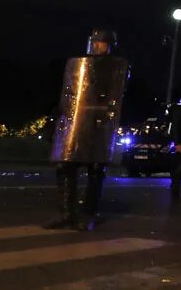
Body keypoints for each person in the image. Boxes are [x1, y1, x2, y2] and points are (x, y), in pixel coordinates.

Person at [45, 28, 129, 231]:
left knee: (96, 170)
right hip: (78, 123)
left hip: (100, 125)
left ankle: (87, 214)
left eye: (102, 43)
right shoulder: (82, 63)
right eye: (95, 42)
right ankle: (66, 213)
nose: (97, 46)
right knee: (65, 165)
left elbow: (116, 93)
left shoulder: (116, 67)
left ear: (109, 46)